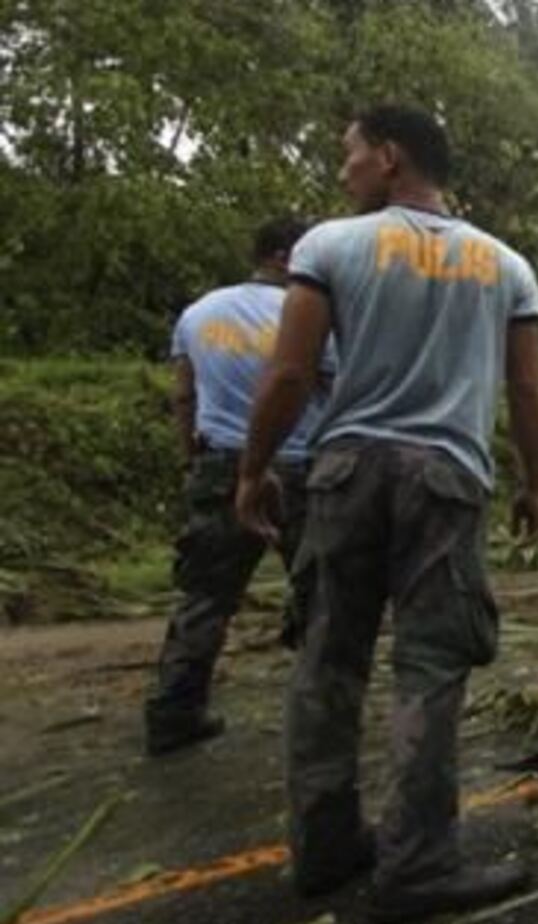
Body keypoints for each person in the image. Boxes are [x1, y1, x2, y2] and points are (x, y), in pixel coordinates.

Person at [235, 104, 538, 920]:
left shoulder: (330, 246)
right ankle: (414, 865)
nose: (342, 170)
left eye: (350, 154)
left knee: (328, 663)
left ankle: (326, 848)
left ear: (390, 156)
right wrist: (534, 484)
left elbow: (291, 374)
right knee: (430, 668)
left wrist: (253, 470)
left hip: (344, 474)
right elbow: (525, 392)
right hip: (447, 480)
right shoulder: (507, 267)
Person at [145, 217, 326, 757]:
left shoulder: (199, 314)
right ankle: (318, 718)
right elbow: (326, 389)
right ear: (284, 258)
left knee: (205, 597)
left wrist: (192, 461)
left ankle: (174, 714)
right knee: (322, 595)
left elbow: (184, 397)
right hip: (301, 470)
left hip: (222, 465)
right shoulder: (312, 315)